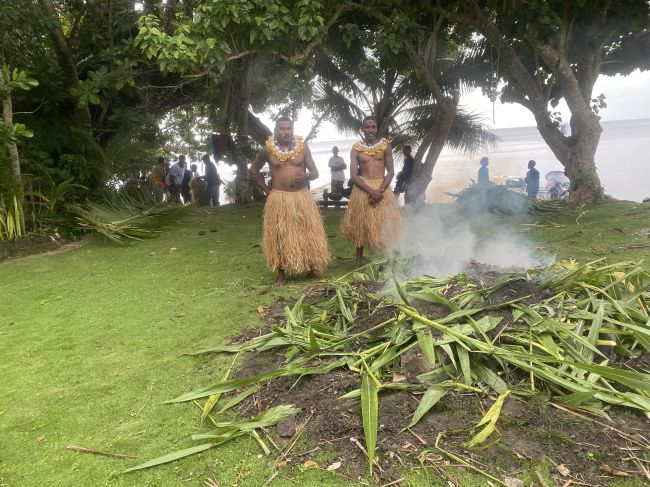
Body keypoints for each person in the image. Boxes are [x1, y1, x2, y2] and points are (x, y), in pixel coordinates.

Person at [249, 117, 330, 286]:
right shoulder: (268, 150)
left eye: (289, 128)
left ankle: (311, 268)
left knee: (308, 232)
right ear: (276, 131)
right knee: (279, 235)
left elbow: (315, 172)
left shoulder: (303, 148)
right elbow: (253, 170)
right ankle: (281, 274)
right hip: (279, 198)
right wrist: (266, 191)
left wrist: (307, 176)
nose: (286, 132)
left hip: (302, 196)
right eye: (282, 129)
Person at [341, 116, 403, 268]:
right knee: (361, 226)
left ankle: (391, 257)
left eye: (373, 127)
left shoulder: (385, 146)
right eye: (367, 127)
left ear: (377, 128)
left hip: (382, 187)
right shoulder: (356, 148)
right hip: (363, 189)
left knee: (387, 223)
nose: (370, 130)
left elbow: (391, 171)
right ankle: (358, 261)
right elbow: (354, 175)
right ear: (363, 129)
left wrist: (380, 191)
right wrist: (370, 191)